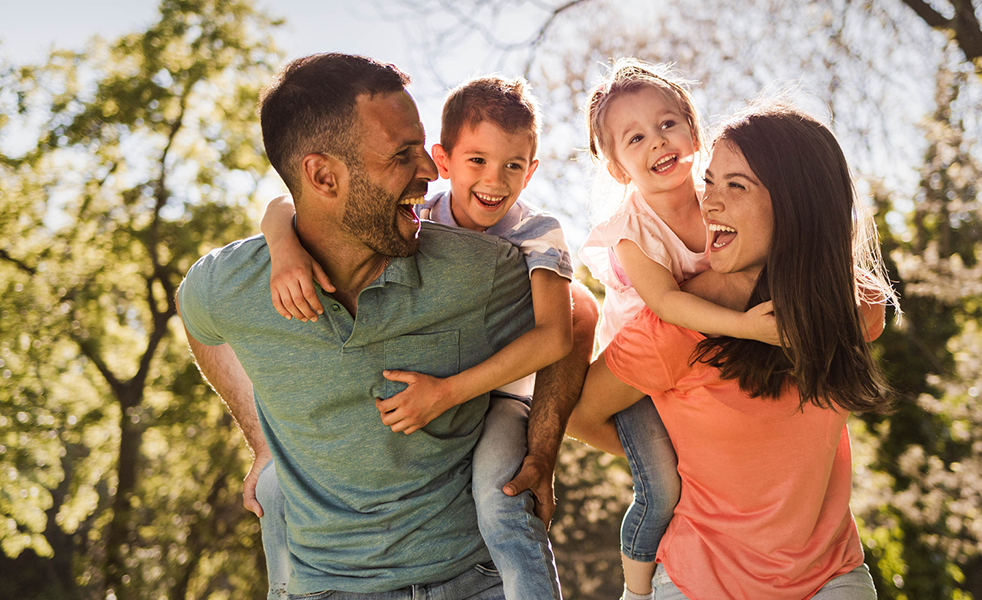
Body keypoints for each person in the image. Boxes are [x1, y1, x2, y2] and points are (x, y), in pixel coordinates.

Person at [177, 53, 592, 600]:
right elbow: (196, 316)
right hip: (326, 588)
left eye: (422, 148)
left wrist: (541, 450)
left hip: (473, 579)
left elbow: (576, 316)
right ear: (323, 176)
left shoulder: (479, 265)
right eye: (402, 155)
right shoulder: (232, 284)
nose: (430, 171)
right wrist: (262, 441)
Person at [567, 100, 897, 600]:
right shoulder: (674, 329)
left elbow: (863, 303)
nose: (709, 203)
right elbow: (580, 416)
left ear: (796, 202)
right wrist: (673, 466)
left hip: (832, 578)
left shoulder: (854, 306)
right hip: (700, 582)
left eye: (735, 186)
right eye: (709, 182)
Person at [576, 59, 783, 598]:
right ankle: (637, 589)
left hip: (694, 361)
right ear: (618, 168)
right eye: (635, 138)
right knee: (662, 488)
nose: (657, 141)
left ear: (693, 131)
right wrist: (745, 326)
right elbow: (667, 304)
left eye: (667, 123)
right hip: (635, 379)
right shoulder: (630, 231)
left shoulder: (719, 200)